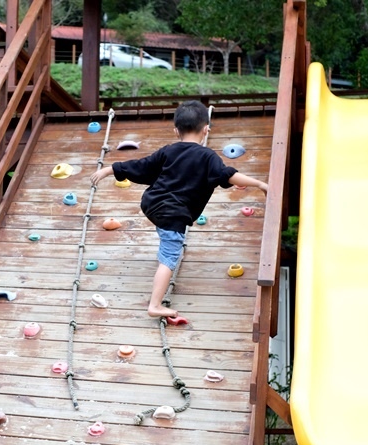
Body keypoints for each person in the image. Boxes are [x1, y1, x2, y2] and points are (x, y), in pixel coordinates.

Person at [90, 100, 269, 318]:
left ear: (176, 130)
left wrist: (111, 169)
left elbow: (142, 166)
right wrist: (259, 184)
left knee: (168, 235)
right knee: (169, 257)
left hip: (152, 203)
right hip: (172, 211)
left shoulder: (168, 151)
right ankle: (155, 305)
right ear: (206, 129)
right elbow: (227, 174)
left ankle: (165, 246)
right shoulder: (207, 156)